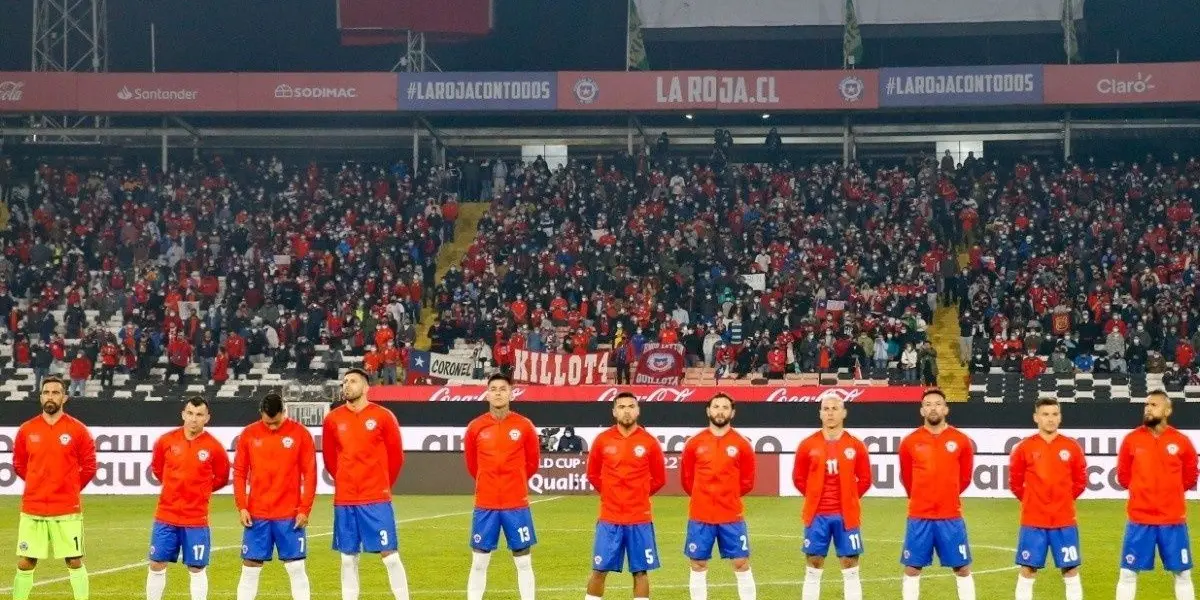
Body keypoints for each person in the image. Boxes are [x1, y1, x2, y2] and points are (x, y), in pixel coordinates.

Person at [322, 368, 409, 600]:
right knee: (348, 558)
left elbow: (396, 457)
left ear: (366, 387)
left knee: (389, 555)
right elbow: (330, 459)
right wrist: (344, 479)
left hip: (376, 498)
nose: (347, 386)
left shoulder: (383, 416)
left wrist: (382, 484)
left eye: (353, 381)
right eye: (344, 382)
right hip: (345, 500)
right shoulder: (333, 419)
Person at [11, 376, 98, 600]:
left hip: (67, 509)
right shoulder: (27, 430)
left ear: (64, 397)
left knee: (74, 560)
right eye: (46, 392)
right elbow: (20, 465)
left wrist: (68, 488)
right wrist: (37, 484)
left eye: (55, 392)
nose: (50, 396)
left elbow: (89, 466)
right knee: (25, 561)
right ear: (41, 397)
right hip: (33, 508)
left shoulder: (78, 430)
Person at [1114, 390, 1198, 600]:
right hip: (1140, 520)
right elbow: (1123, 477)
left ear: (1167, 410)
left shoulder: (1182, 441)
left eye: (1154, 405)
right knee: (1127, 573)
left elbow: (1190, 477)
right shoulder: (1132, 440)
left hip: (1173, 520)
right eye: (1146, 405)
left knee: (1183, 574)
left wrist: (1169, 494)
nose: (1148, 408)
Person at [463, 373, 540, 600]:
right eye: (493, 389)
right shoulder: (475, 427)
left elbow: (532, 463)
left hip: (516, 503)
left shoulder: (524, 425)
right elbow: (472, 464)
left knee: (523, 560)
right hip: (485, 504)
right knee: (479, 561)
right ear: (487, 394)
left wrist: (513, 480)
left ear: (511, 393)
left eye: (502, 389)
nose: (498, 393)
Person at [233, 393, 317, 600]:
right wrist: (242, 506)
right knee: (250, 568)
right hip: (257, 514)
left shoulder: (300, 433)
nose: (272, 427)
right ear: (261, 413)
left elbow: (311, 473)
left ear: (284, 412)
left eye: (276, 422)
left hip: (289, 515)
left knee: (296, 567)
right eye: (267, 422)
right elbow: (239, 472)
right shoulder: (249, 434)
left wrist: (305, 509)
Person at [146, 397, 231, 600]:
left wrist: (200, 492)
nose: (194, 419)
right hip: (166, 516)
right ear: (183, 414)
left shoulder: (214, 447)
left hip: (196, 519)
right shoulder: (165, 441)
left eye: (199, 415)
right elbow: (158, 469)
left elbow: (221, 477)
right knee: (156, 564)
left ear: (207, 418)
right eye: (190, 413)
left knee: (196, 567)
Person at [584, 391, 667, 600]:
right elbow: (593, 474)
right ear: (614, 411)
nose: (626, 411)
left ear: (638, 411)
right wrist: (612, 493)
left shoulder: (649, 442)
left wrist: (638, 495)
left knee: (640, 572)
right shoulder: (603, 440)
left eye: (631, 406)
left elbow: (659, 479)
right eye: (621, 407)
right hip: (609, 518)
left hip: (639, 518)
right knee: (599, 570)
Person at [898, 388, 976, 600]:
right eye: (928, 404)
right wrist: (921, 497)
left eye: (938, 404)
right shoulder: (909, 441)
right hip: (919, 516)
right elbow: (906, 478)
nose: (933, 408)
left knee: (962, 568)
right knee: (912, 569)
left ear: (946, 409)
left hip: (950, 516)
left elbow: (965, 478)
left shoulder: (961, 440)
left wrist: (946, 495)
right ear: (922, 410)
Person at [792, 393, 872, 600]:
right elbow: (798, 479)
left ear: (844, 413)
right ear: (820, 414)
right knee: (814, 563)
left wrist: (849, 498)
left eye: (835, 409)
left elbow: (865, 479)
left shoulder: (856, 445)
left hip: (847, 516)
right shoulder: (807, 444)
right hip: (816, 516)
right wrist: (814, 497)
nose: (830, 413)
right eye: (826, 409)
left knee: (850, 564)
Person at [1008, 397, 1087, 600]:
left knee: (1070, 571)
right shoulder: (1024, 447)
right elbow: (1015, 483)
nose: (1050, 419)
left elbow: (1080, 482)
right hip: (1033, 521)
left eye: (1054, 414)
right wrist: (1033, 501)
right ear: (1036, 418)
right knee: (1028, 570)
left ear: (1060, 417)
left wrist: (1062, 500)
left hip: (1064, 521)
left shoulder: (1072, 447)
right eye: (1045, 414)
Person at [680, 393, 757, 600]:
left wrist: (727, 495)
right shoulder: (694, 443)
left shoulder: (742, 444)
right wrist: (704, 496)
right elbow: (687, 480)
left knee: (741, 563)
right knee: (698, 564)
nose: (720, 411)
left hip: (731, 516)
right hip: (700, 515)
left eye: (725, 407)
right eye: (716, 407)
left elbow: (747, 482)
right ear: (708, 411)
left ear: (732, 412)